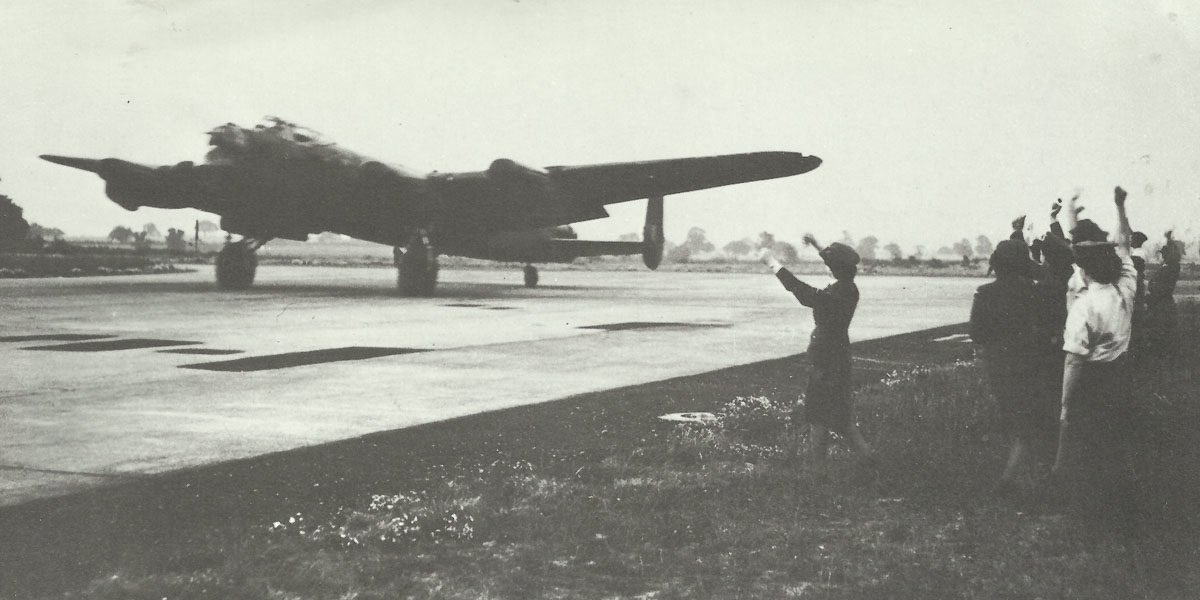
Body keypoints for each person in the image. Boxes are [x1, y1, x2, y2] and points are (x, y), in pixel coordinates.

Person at [1052, 187, 1138, 531]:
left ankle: (1089, 515)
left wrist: (1064, 403)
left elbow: (1073, 362)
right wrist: (1119, 206)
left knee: (1087, 447)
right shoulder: (1126, 287)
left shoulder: (1084, 306)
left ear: (1085, 267)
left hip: (1091, 379)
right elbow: (1124, 243)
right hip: (1120, 373)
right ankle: (1121, 509)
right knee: (1116, 442)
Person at [759, 235, 875, 464]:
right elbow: (835, 262)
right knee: (842, 421)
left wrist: (773, 263)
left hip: (825, 363)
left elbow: (801, 291)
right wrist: (816, 244)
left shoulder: (835, 294)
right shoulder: (848, 288)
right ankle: (871, 463)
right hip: (837, 359)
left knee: (819, 419)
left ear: (835, 268)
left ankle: (820, 474)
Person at [970, 239, 1054, 492]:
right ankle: (1012, 478)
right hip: (1030, 362)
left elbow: (977, 333)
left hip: (997, 364)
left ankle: (1016, 475)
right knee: (1030, 419)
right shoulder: (1035, 292)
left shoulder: (984, 293)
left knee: (1013, 416)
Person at [1145, 231, 1183, 360]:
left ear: (1166, 255)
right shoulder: (1168, 267)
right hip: (1162, 303)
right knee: (1163, 330)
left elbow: (1160, 289)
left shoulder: (1170, 268)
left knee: (1162, 330)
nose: (1160, 256)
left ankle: (1163, 355)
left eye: (1162, 254)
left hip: (1162, 304)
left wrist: (1169, 240)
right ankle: (1164, 353)